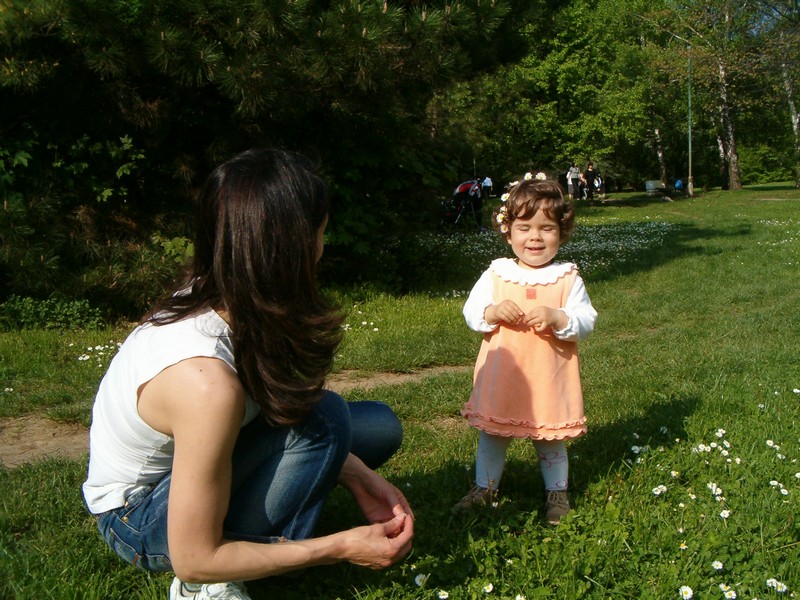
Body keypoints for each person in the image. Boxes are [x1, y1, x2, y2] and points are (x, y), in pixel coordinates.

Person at [82, 148, 414, 600]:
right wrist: (337, 547)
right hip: (137, 518)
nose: (323, 248)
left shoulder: (231, 293)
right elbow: (194, 556)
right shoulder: (204, 382)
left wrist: (358, 476)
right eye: (321, 233)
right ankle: (211, 584)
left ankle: (261, 521)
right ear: (293, 248)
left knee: (376, 426)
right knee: (327, 419)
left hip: (207, 452)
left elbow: (279, 407)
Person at [452, 172, 597, 525]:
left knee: (549, 439)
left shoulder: (567, 278)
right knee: (493, 436)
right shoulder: (497, 274)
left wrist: (558, 317)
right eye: (524, 228)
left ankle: (557, 493)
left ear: (561, 232)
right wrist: (492, 311)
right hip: (503, 376)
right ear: (508, 231)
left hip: (548, 378)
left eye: (546, 228)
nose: (535, 237)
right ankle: (484, 488)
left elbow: (586, 319)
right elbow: (472, 311)